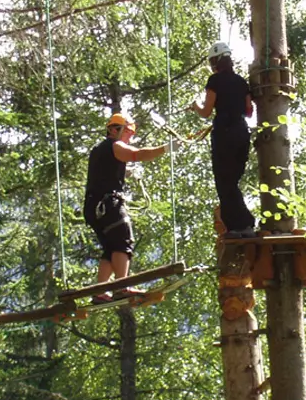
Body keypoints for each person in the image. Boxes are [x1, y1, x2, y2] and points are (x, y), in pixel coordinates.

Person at [83, 112, 172, 302]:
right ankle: (121, 286)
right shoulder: (115, 145)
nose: (129, 137)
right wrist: (165, 148)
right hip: (108, 204)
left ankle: (100, 290)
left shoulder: (98, 149)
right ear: (116, 129)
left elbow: (105, 171)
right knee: (123, 239)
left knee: (110, 247)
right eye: (128, 133)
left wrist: (126, 172)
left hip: (94, 208)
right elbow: (136, 154)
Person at [190, 41, 256, 239]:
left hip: (224, 133)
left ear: (217, 61)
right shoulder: (242, 82)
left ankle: (241, 225)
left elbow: (206, 111)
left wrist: (195, 107)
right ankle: (241, 225)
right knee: (232, 180)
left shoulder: (215, 81)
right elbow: (249, 111)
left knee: (224, 181)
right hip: (241, 132)